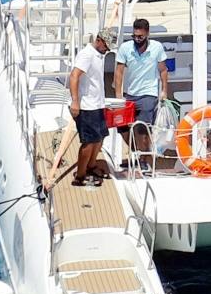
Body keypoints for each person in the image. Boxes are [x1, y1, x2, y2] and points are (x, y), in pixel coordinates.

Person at [114, 17, 170, 154]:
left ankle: (143, 159)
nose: (137, 39)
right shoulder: (125, 48)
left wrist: (164, 91)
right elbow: (119, 72)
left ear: (147, 34)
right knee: (121, 126)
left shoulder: (157, 47)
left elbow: (163, 70)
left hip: (148, 94)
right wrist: (118, 95)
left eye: (140, 36)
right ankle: (137, 153)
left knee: (142, 129)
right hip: (130, 94)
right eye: (134, 36)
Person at [68, 32, 115, 186]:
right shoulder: (86, 55)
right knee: (88, 142)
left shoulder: (98, 54)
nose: (107, 50)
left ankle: (92, 165)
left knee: (100, 137)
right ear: (99, 41)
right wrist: (75, 102)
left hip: (98, 104)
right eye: (106, 46)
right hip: (87, 107)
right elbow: (74, 76)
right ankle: (80, 176)